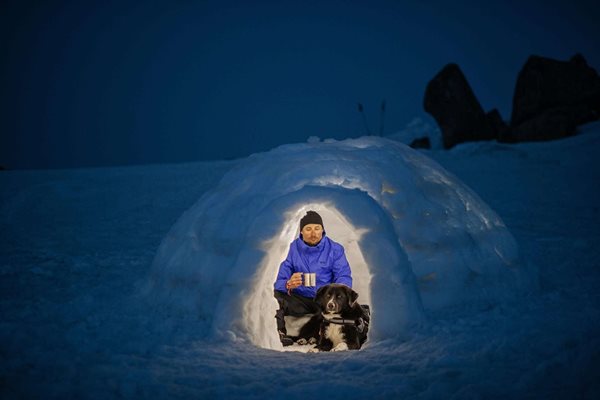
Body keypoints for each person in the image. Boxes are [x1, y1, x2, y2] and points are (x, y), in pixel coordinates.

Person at [273, 210, 352, 346]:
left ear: (322, 229)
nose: (313, 233)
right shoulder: (291, 249)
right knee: (275, 297)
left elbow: (343, 276)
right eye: (308, 229)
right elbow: (276, 281)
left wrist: (334, 295)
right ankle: (279, 332)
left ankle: (327, 335)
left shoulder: (335, 249)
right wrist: (288, 284)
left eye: (317, 228)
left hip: (324, 300)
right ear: (301, 231)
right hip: (299, 299)